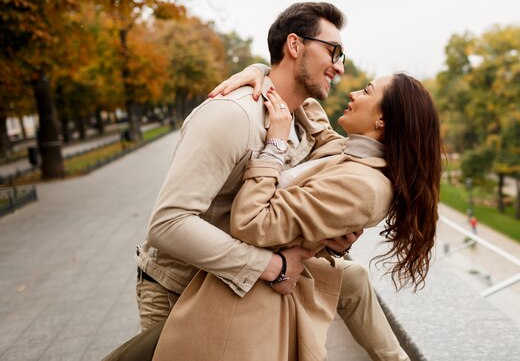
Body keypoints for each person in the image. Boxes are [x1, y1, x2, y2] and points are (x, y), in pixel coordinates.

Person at [124, 2, 409, 360]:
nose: (339, 66)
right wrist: (274, 268)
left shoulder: (305, 118)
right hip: (178, 288)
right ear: (294, 45)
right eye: (333, 51)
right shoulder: (232, 116)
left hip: (236, 292)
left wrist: (328, 234)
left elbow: (320, 183)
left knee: (353, 279)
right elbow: (167, 225)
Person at [152, 72, 442, 361]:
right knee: (354, 278)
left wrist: (275, 147)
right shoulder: (347, 151)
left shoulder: (364, 184)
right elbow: (303, 99)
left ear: (383, 121)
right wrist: (260, 71)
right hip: (214, 273)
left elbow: (251, 223)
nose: (354, 93)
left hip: (238, 284)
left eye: (367, 91)